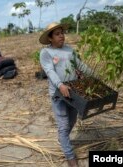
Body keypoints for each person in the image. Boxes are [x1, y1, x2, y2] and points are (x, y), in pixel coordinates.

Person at [39, 22, 89, 167]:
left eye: (62, 33)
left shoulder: (69, 50)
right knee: (63, 124)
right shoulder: (46, 53)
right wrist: (60, 85)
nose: (62, 36)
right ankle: (70, 157)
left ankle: (63, 139)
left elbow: (81, 66)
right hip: (58, 94)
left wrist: (95, 77)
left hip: (73, 93)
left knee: (72, 122)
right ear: (50, 38)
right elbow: (49, 71)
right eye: (57, 34)